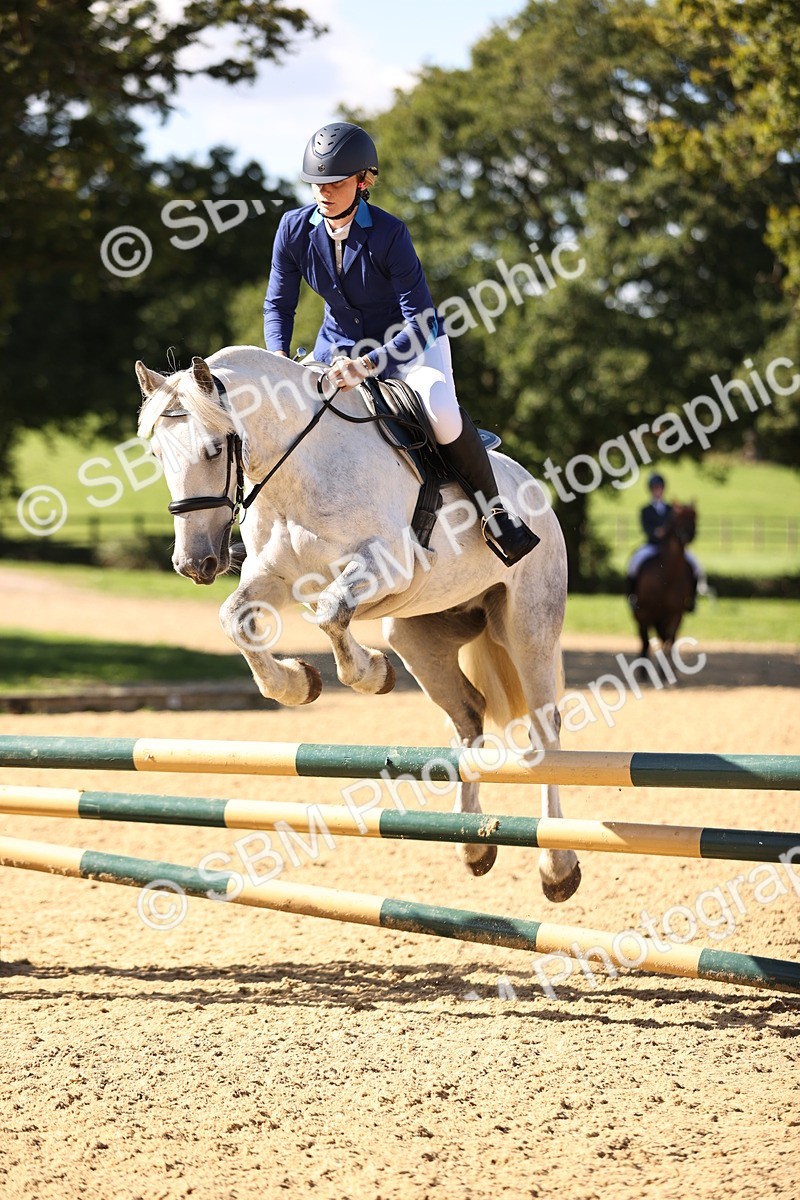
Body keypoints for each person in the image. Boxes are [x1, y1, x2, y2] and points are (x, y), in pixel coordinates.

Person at [262, 121, 540, 566]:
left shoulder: (390, 234)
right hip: (337, 347)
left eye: (335, 182)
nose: (323, 192)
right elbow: (278, 304)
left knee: (442, 412)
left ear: (363, 181)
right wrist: (277, 357)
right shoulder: (293, 229)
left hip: (410, 346)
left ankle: (496, 512)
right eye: (316, 182)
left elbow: (419, 320)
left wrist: (370, 364)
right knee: (283, 410)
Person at [626, 473, 702, 608]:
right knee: (634, 563)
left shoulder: (671, 509)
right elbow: (646, 528)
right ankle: (633, 596)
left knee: (696, 565)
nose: (657, 490)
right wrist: (656, 533)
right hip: (653, 545)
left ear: (663, 489)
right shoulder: (646, 510)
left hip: (670, 548)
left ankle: (692, 598)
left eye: (659, 487)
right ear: (650, 490)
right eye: (654, 488)